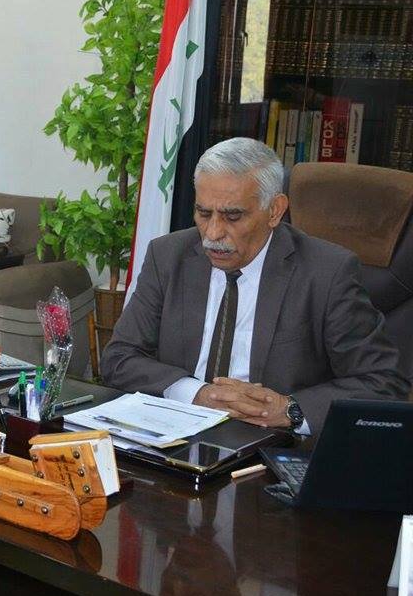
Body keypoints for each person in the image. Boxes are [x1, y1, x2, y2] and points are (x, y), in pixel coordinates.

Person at [101, 137, 408, 434]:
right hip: (178, 433)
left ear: (274, 211)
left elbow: (383, 382)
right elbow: (120, 358)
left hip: (273, 443)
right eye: (203, 213)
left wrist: (290, 410)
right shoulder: (168, 256)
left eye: (233, 216)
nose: (213, 233)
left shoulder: (326, 272)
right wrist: (197, 393)